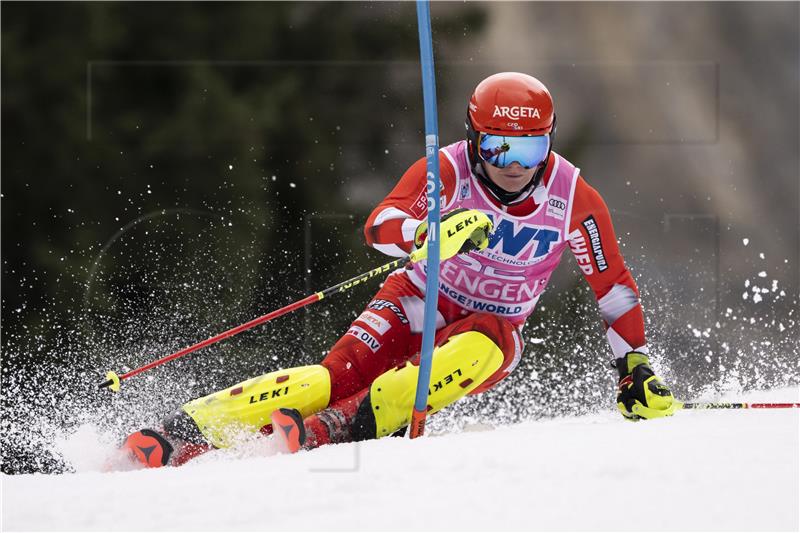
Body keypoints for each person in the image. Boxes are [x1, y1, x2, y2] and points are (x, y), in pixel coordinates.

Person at [121, 72, 678, 468]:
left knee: (485, 340)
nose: (511, 166)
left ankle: (341, 427)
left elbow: (615, 291)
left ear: (548, 144)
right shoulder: (449, 168)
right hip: (415, 300)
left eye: (528, 150)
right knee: (327, 379)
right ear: (473, 138)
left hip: (489, 332)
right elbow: (381, 223)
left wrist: (633, 367)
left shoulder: (573, 197)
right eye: (498, 147)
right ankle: (180, 433)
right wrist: (426, 234)